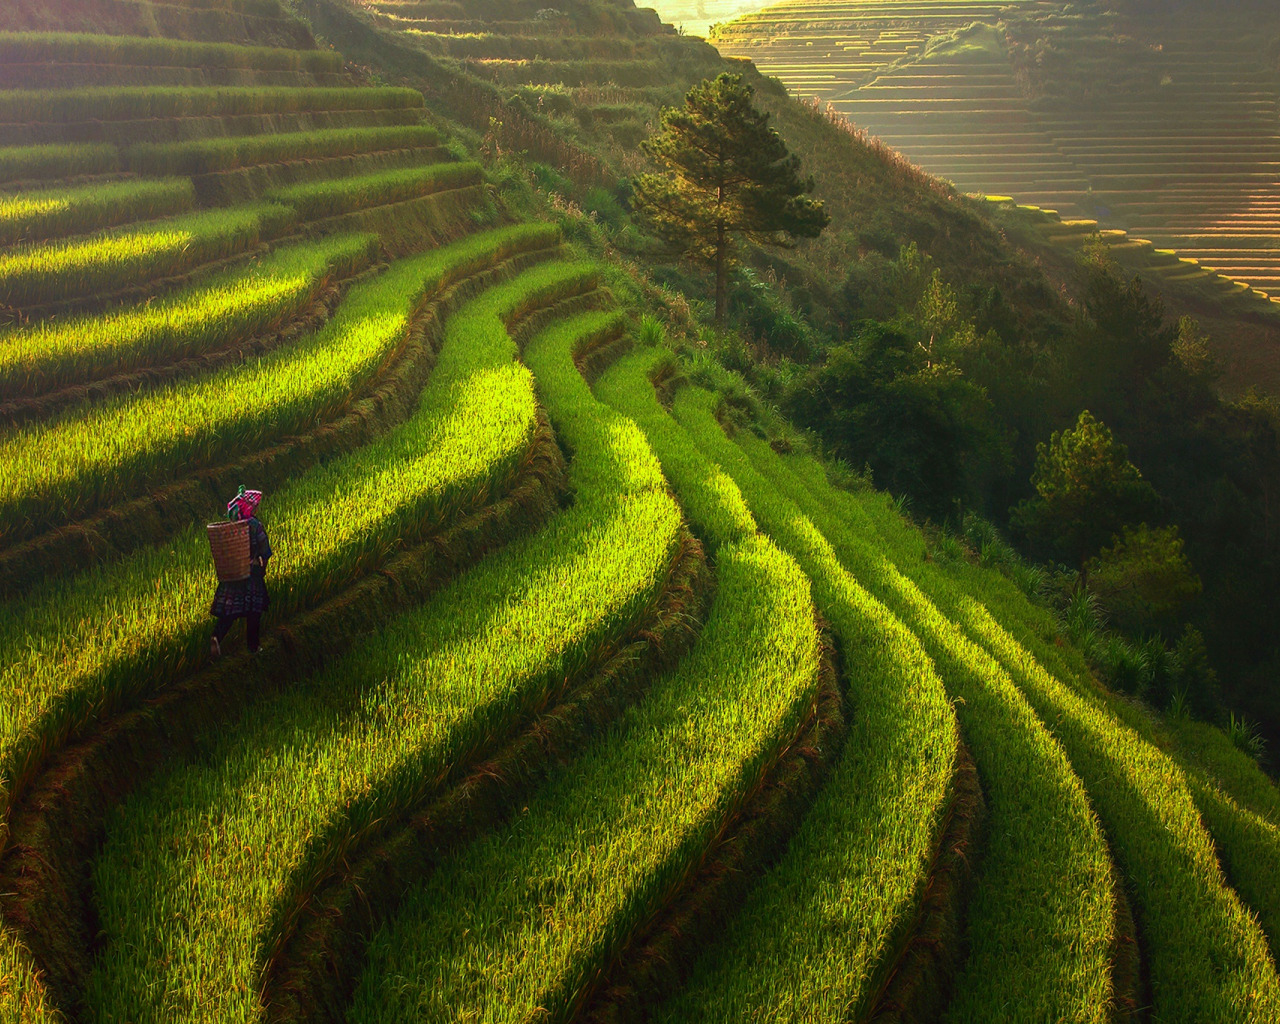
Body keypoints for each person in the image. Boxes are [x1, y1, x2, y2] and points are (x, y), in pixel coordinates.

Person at [210, 487, 272, 656]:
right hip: (251, 573)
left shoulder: (232, 525)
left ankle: (216, 636)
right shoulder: (254, 525)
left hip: (233, 574)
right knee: (254, 612)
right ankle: (253, 647)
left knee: (229, 611)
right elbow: (265, 550)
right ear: (250, 507)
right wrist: (263, 568)